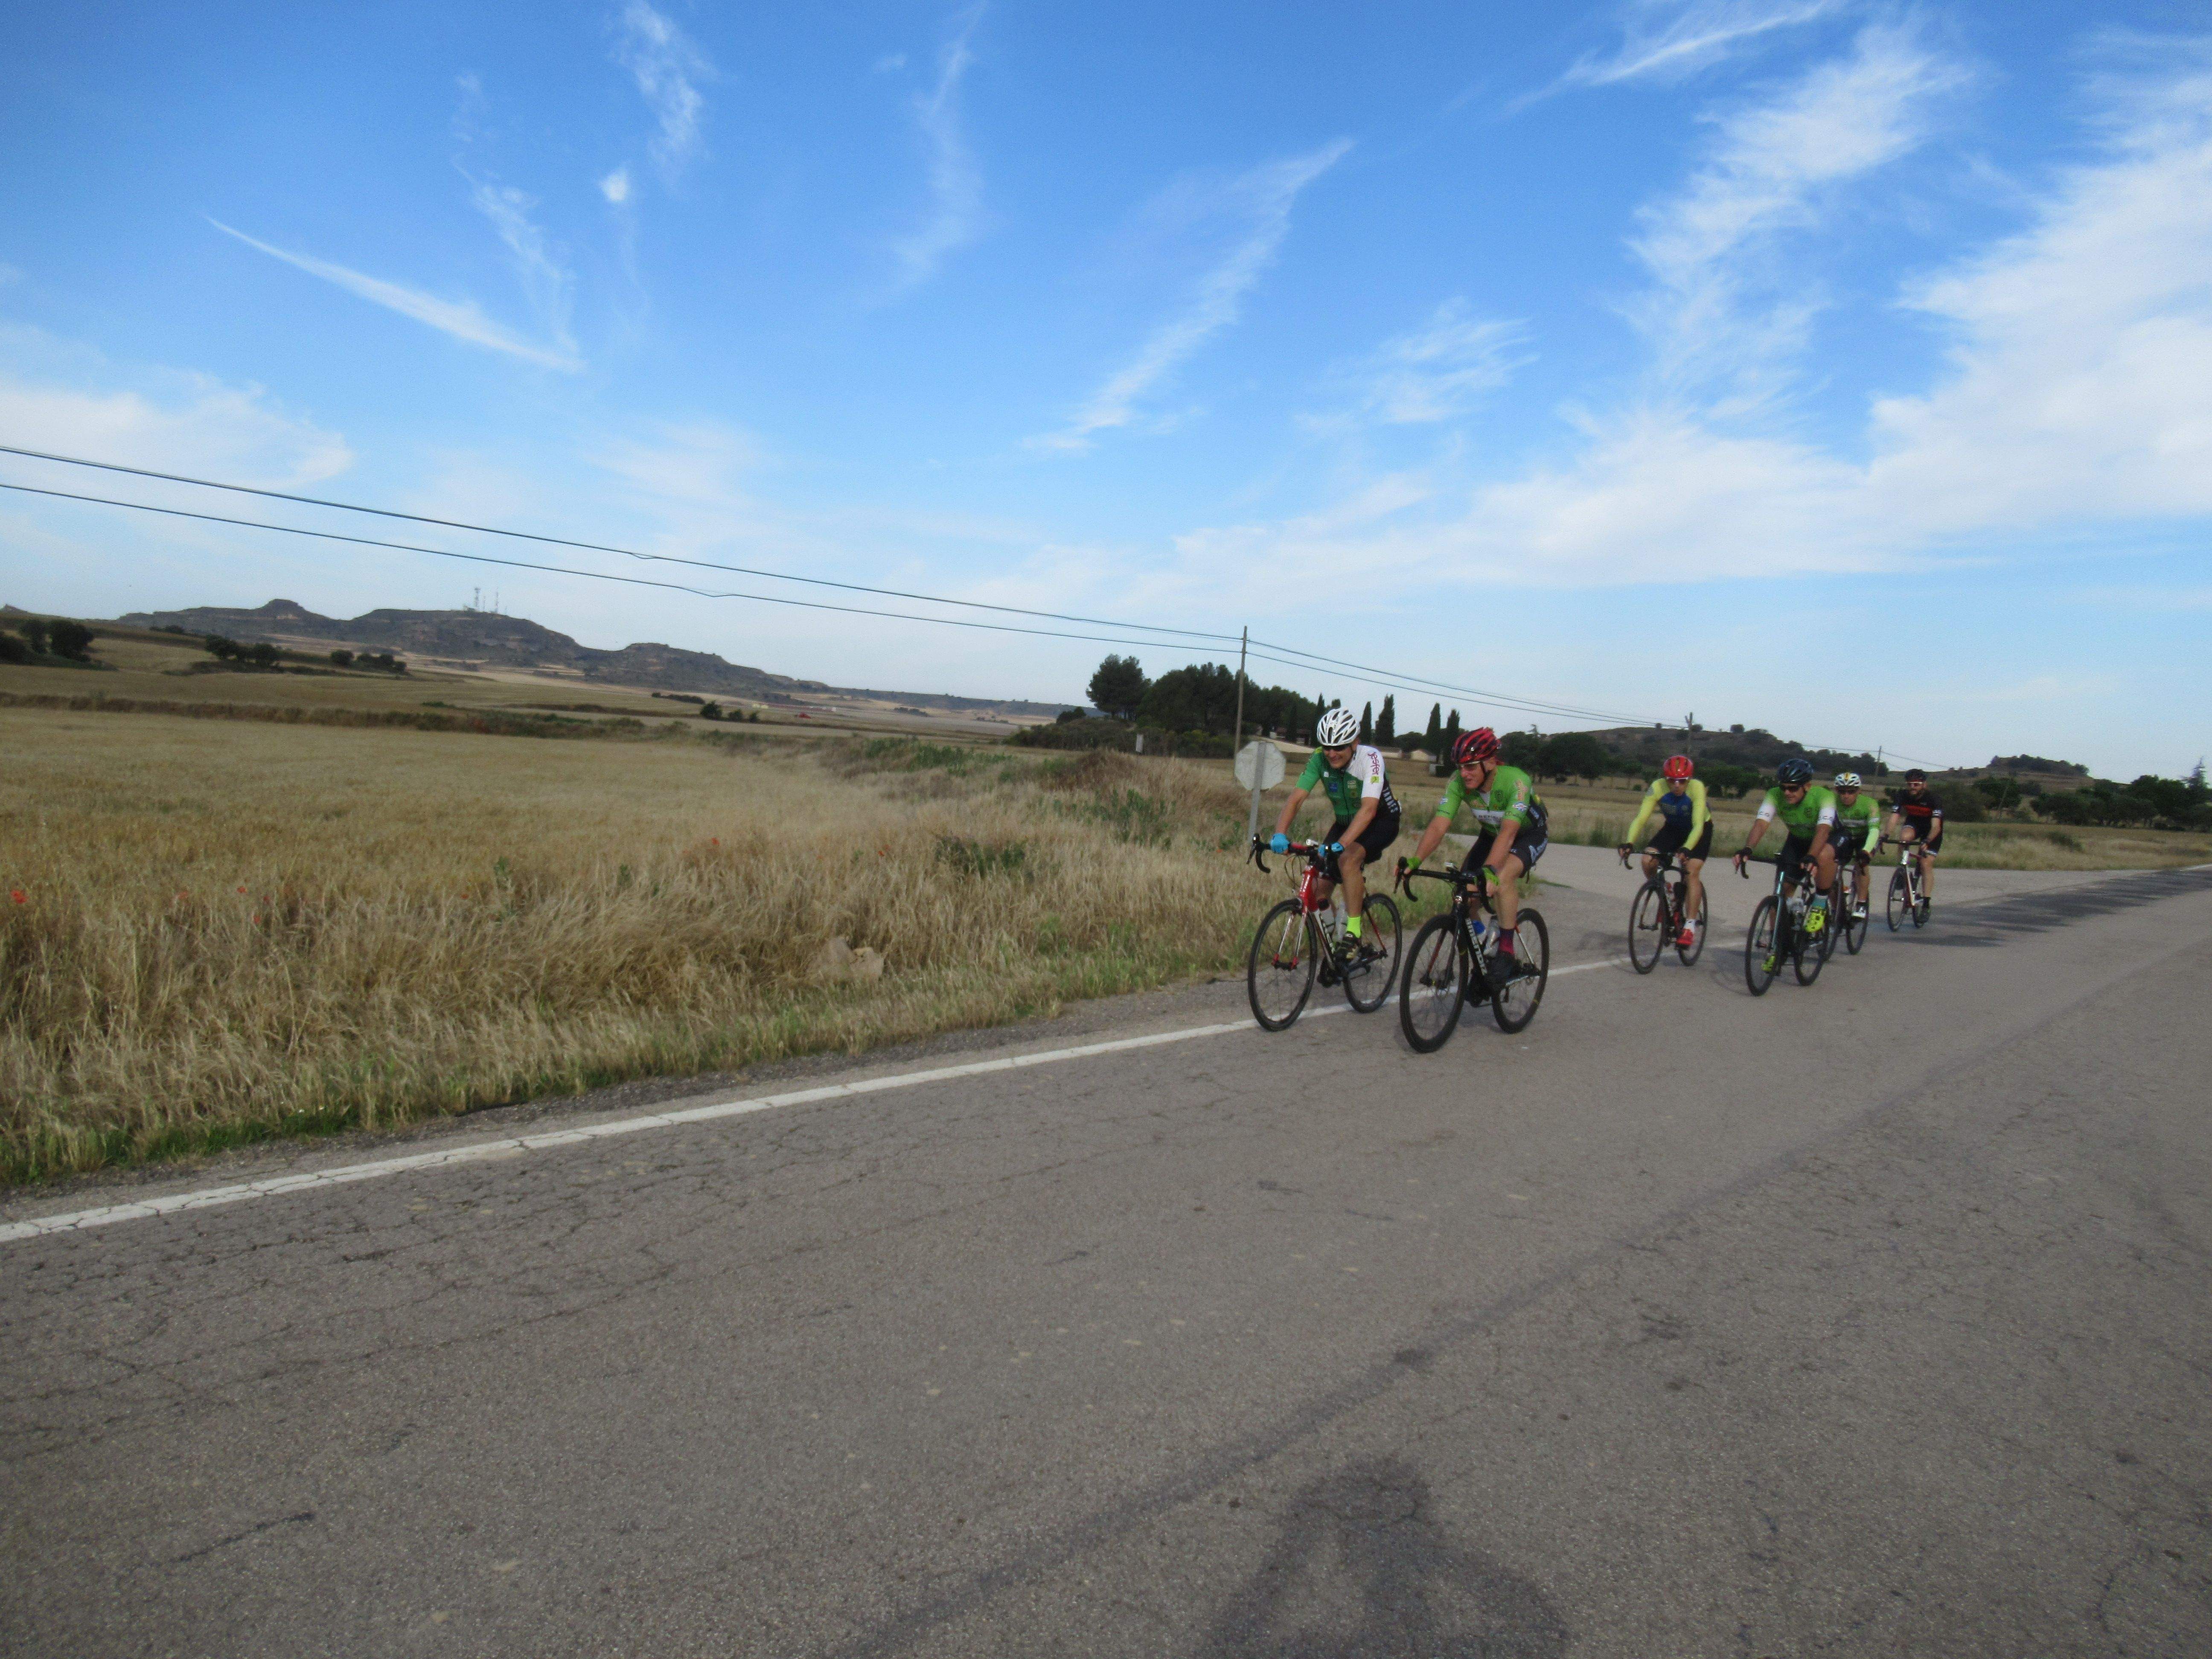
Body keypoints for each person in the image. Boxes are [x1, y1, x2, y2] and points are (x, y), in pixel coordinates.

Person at [1401, 726, 1549, 982]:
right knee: (1464, 893)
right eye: (1460, 767)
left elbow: (1509, 833)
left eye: (1471, 767)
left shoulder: (1516, 781)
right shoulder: (1458, 783)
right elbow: (1439, 824)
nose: (1464, 773)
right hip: (1491, 835)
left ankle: (1506, 951)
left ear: (1490, 763)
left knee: (1501, 879)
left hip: (1527, 835)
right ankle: (1482, 941)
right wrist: (1417, 859)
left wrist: (1490, 870)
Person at [1269, 706, 1401, 959]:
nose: (1331, 753)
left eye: (1339, 747)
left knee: (1348, 858)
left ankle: (1352, 933)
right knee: (1319, 891)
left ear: (1355, 743)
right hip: (1345, 822)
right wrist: (1280, 833)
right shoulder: (1319, 759)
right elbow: (1296, 799)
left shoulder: (1370, 758)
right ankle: (1335, 946)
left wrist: (1341, 843)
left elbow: (1369, 810)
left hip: (1381, 820)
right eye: (1326, 747)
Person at [1733, 759, 1839, 957]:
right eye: (1783, 788)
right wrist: (1748, 848)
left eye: (1793, 788)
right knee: (1781, 894)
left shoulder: (1823, 797)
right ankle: (1777, 944)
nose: (1787, 793)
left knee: (1823, 856)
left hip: (1829, 837)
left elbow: (1824, 830)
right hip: (1798, 840)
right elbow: (1762, 823)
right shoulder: (1774, 795)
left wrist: (1811, 856)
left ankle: (1820, 903)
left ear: (1807, 786)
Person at [1618, 754, 1709, 949]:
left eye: (1682, 781)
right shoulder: (1657, 787)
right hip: (1673, 829)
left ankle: (1690, 926)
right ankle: (1665, 891)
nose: (1677, 785)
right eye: (1671, 780)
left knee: (1691, 871)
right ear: (1665, 779)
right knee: (1647, 860)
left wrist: (1687, 849)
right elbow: (1641, 817)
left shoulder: (1697, 788)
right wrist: (1629, 842)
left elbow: (1698, 826)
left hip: (1698, 830)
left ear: (1689, 779)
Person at [1886, 768, 1943, 911]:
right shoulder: (1903, 795)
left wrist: (1927, 841)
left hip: (1932, 830)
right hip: (1914, 824)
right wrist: (1885, 835)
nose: (1912, 787)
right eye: (1910, 784)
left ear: (1924, 784)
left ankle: (1926, 904)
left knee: (1925, 864)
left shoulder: (1933, 799)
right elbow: (1894, 817)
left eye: (1916, 784)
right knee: (1904, 838)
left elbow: (1936, 826)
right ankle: (1902, 870)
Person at [1829, 772, 1882, 920]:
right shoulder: (1832, 802)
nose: (1846, 795)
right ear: (1837, 791)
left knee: (1862, 864)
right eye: (1842, 791)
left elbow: (1874, 831)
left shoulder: (1870, 804)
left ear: (1859, 791)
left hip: (1865, 838)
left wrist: (1866, 851)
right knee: (1830, 869)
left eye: (1851, 791)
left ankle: (1861, 903)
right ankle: (1836, 908)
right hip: (1844, 837)